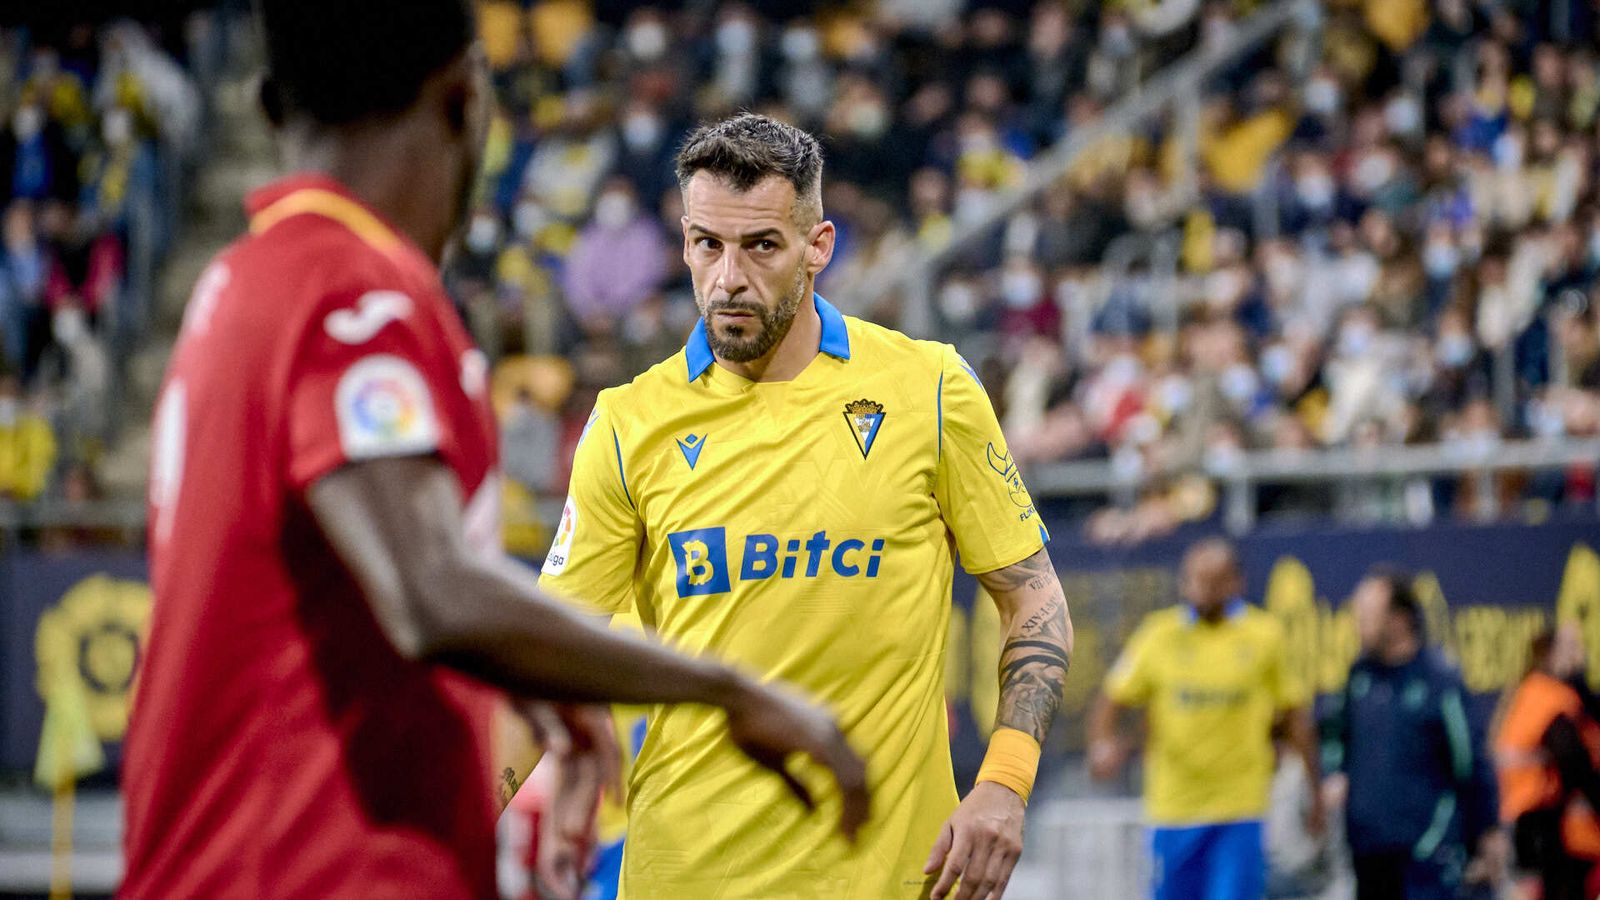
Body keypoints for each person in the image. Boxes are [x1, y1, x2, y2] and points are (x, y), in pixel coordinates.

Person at [119, 5, 868, 898]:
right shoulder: (351, 293)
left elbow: (345, 596)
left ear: (274, 106)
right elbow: (431, 590)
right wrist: (727, 689)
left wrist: (525, 681)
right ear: (464, 97)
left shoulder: (249, 279)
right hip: (308, 873)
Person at [537, 112, 1075, 900]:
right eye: (707, 244)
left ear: (818, 245)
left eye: (761, 246)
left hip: (893, 879)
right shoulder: (627, 423)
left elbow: (1034, 600)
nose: (728, 277)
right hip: (685, 877)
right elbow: (546, 655)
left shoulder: (929, 389)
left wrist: (1004, 782)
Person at [1089, 538, 1323, 900]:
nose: (1201, 590)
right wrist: (1102, 744)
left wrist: (1314, 791)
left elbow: (1295, 716)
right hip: (1173, 807)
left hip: (1239, 808)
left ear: (1236, 583)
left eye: (1213, 581)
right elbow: (1112, 698)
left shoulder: (1264, 636)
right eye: (1194, 580)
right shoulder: (1159, 634)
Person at [1320, 567, 1506, 900]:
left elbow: (1468, 760)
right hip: (1368, 853)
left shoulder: (1439, 681)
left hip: (1426, 854)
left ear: (1399, 619)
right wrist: (1334, 773)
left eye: (1368, 614)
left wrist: (1487, 828)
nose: (1358, 623)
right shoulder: (1359, 677)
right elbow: (1335, 736)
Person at [1496, 624, 1600, 900]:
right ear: (1551, 654)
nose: (1581, 655)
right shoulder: (1551, 698)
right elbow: (1575, 764)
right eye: (1572, 648)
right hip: (1538, 819)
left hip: (1526, 816)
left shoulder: (1533, 690)